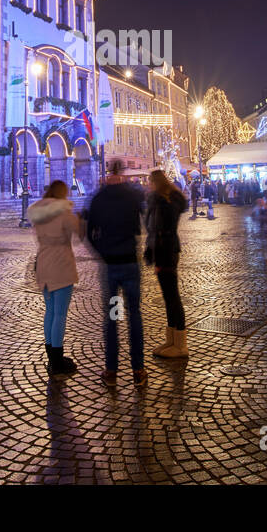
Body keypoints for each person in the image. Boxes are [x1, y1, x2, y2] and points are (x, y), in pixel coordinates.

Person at [82, 160, 147, 388]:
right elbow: (144, 219)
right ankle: (138, 369)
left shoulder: (99, 198)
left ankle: (111, 371)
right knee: (134, 315)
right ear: (123, 172)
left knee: (113, 316)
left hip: (111, 266)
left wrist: (103, 252)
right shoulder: (132, 195)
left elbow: (89, 233)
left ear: (108, 172)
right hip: (130, 261)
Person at [28, 180, 81, 379]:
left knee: (49, 312)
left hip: (43, 263)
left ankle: (52, 355)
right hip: (61, 266)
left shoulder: (38, 213)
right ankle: (58, 360)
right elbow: (79, 232)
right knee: (60, 314)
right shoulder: (63, 213)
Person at [145, 169, 190, 358]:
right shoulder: (164, 201)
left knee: (172, 297)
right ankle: (172, 340)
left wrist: (154, 252)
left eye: (150, 182)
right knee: (169, 297)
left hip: (166, 250)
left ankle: (180, 345)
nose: (149, 185)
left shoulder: (165, 202)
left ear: (157, 183)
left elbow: (159, 229)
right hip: (165, 249)